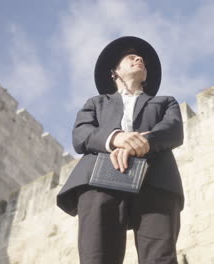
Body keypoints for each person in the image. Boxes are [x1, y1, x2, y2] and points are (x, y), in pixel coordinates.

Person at [57, 36, 184, 264]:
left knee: (160, 258)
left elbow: (173, 130)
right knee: (97, 256)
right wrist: (117, 138)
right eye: (131, 56)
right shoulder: (96, 103)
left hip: (155, 179)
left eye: (141, 59)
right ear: (114, 71)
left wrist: (139, 144)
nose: (139, 59)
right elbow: (81, 134)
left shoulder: (166, 102)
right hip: (99, 180)